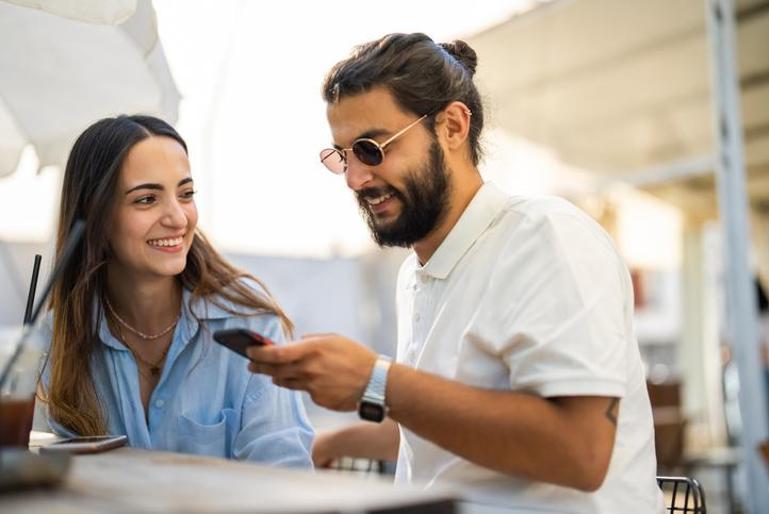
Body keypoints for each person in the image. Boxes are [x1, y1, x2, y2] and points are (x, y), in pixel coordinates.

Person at [246, 33, 663, 511]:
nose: (355, 179)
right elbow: (447, 427)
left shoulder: (546, 238)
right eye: (342, 156)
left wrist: (376, 380)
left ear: (451, 126)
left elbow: (580, 451)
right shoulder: (415, 274)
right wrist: (332, 443)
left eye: (372, 148)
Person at [38, 115, 313, 467]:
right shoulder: (53, 342)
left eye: (186, 194)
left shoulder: (250, 323)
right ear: (95, 216)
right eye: (147, 199)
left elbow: (284, 477)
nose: (178, 218)